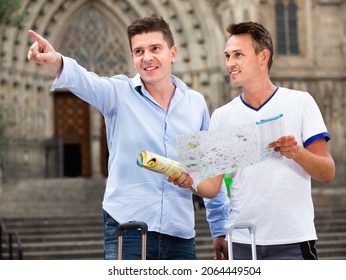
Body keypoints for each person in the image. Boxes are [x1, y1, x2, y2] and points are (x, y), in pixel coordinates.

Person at [27, 16, 229, 260]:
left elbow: (208, 168)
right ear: (133, 57)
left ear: (173, 53)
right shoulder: (118, 93)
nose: (147, 57)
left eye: (155, 48)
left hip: (180, 233)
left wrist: (219, 228)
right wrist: (57, 61)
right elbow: (85, 81)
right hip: (129, 229)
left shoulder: (195, 103)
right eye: (138, 51)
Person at [169, 21, 335, 260]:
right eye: (227, 56)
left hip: (293, 239)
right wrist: (187, 180)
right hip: (242, 240)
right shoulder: (222, 116)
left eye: (238, 55)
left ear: (263, 56)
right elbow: (212, 187)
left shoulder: (300, 102)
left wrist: (297, 152)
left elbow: (327, 172)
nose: (230, 63)